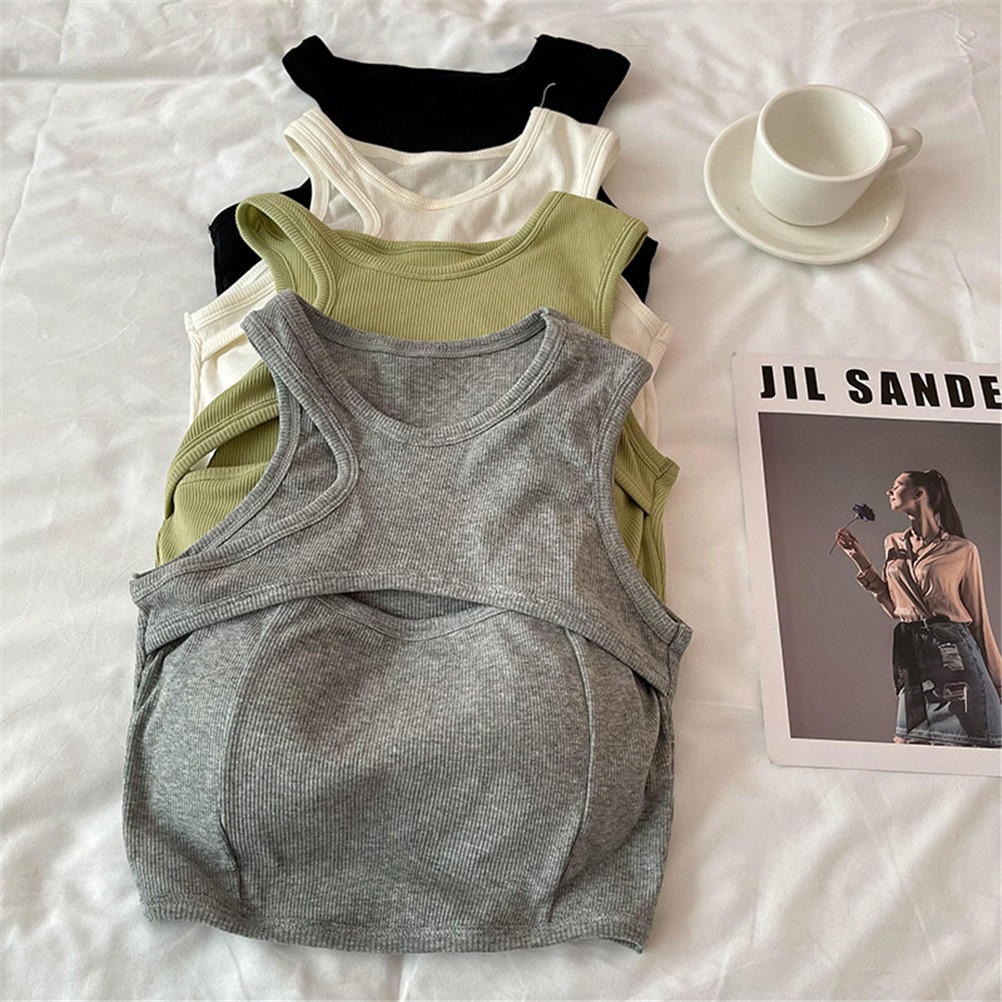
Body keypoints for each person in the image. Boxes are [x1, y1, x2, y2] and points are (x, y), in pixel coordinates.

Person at [835, 469, 1002, 747]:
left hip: (955, 659)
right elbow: (895, 607)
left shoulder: (963, 550)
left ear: (919, 493)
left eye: (897, 485)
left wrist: (999, 682)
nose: (889, 491)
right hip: (914, 657)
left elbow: (978, 621)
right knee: (906, 746)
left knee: (970, 749)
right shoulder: (892, 543)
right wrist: (859, 559)